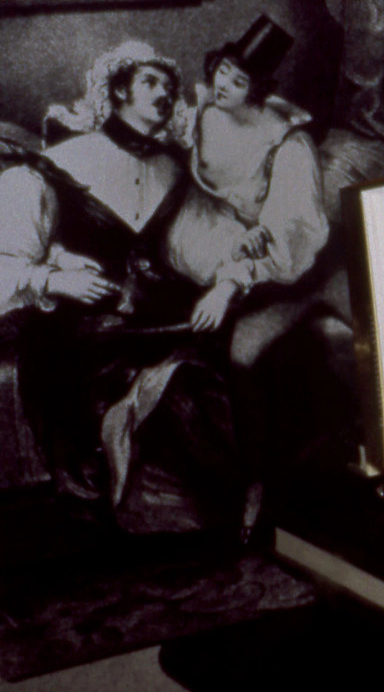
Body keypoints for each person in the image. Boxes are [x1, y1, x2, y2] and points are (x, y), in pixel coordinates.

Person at [0, 42, 250, 534]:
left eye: (170, 86)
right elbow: (6, 259)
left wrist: (226, 284)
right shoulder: (62, 163)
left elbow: (216, 244)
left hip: (159, 323)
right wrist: (54, 278)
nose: (164, 94)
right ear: (118, 91)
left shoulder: (181, 169)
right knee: (176, 396)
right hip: (82, 337)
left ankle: (231, 513)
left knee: (206, 382)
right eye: (150, 83)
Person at [169, 16, 329, 355]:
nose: (223, 83)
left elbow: (288, 226)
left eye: (238, 81)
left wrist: (243, 257)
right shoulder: (205, 108)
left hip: (259, 240)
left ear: (255, 89)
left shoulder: (287, 144)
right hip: (202, 221)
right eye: (223, 70)